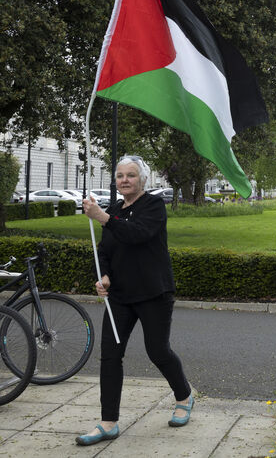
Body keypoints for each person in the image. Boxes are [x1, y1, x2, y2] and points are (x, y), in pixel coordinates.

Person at [76, 155, 193, 446]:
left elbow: (138, 234)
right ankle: (108, 422)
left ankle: (184, 396)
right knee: (110, 356)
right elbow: (104, 250)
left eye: (130, 175)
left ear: (142, 180)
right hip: (119, 297)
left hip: (153, 292)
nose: (124, 180)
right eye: (120, 175)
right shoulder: (115, 210)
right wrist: (103, 276)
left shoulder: (153, 206)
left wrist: (102, 216)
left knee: (158, 351)